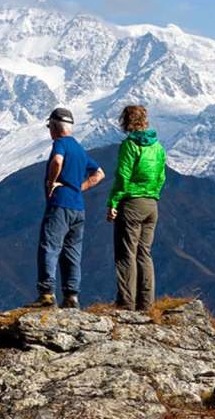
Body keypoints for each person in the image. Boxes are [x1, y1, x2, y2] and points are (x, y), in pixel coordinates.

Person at [29, 108, 105, 309]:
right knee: (72, 251)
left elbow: (57, 161)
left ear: (54, 126)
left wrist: (52, 182)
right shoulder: (80, 149)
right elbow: (99, 173)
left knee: (50, 247)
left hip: (60, 204)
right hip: (78, 207)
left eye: (49, 126)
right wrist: (79, 187)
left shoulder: (60, 144)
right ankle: (71, 296)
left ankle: (46, 294)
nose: (49, 130)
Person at [106, 105, 166, 312]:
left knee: (126, 253)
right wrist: (153, 193)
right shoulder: (158, 147)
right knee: (144, 253)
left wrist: (113, 202)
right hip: (152, 205)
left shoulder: (130, 145)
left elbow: (123, 176)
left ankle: (126, 303)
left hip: (132, 203)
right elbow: (161, 177)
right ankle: (146, 304)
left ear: (127, 122)